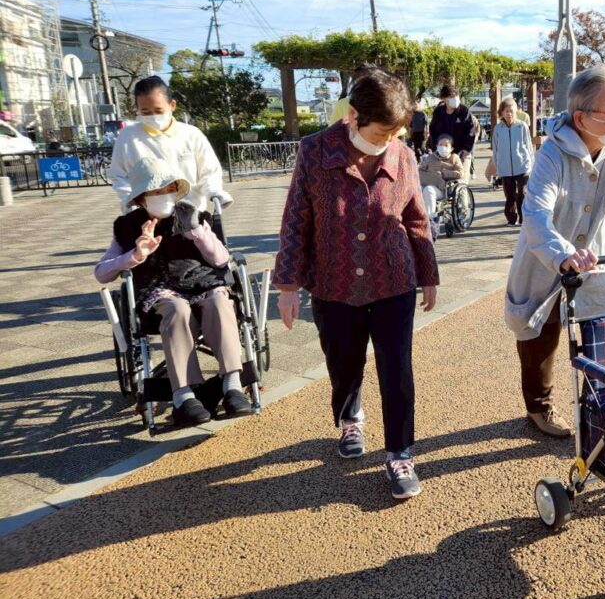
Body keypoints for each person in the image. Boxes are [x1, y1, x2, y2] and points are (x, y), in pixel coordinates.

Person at [273, 68, 439, 500]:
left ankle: (400, 452)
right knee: (344, 362)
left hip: (393, 278)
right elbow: (295, 220)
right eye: (382, 131)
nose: (388, 140)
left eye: (396, 131)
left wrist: (428, 274)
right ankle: (351, 419)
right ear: (353, 115)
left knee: (396, 369)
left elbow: (417, 217)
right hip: (333, 282)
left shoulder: (403, 155)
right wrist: (287, 285)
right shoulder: (314, 151)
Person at [504, 64, 605, 437]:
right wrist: (562, 255)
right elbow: (535, 214)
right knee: (539, 334)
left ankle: (599, 408)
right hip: (546, 257)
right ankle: (538, 407)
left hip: (597, 256)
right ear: (581, 117)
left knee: (602, 334)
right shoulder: (552, 153)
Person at [95, 158, 251, 426]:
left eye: (168, 189)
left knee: (219, 301)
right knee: (177, 309)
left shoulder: (194, 215)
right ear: (142, 198)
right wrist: (136, 254)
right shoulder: (128, 225)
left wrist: (197, 232)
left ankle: (233, 386)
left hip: (203, 283)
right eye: (155, 191)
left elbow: (222, 260)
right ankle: (183, 396)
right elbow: (102, 273)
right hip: (160, 291)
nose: (163, 195)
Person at [110, 77, 232, 214]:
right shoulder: (128, 137)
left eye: (158, 110)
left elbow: (209, 170)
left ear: (172, 105)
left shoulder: (191, 134)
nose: (153, 116)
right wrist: (128, 199)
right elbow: (119, 175)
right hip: (147, 216)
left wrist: (214, 191)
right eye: (146, 112)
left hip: (191, 213)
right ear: (137, 109)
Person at [491, 97, 534, 226]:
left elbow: (529, 146)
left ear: (516, 112)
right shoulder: (498, 129)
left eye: (512, 111)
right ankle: (511, 218)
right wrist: (498, 167)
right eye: (506, 111)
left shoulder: (522, 126)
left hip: (522, 165)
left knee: (522, 194)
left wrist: (531, 164)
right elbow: (495, 149)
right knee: (509, 196)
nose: (509, 114)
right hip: (505, 168)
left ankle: (523, 219)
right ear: (502, 113)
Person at [418, 134, 465, 238]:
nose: (443, 147)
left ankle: (430, 223)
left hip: (443, 189)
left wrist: (445, 173)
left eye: (446, 145)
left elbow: (461, 173)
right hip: (428, 183)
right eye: (440, 144)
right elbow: (420, 171)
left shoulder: (454, 158)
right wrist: (434, 177)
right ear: (437, 146)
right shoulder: (430, 157)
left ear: (451, 148)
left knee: (428, 190)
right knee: (417, 190)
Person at [430, 84, 474, 172]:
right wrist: (435, 148)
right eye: (451, 96)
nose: (455, 98)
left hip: (461, 152)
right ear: (444, 99)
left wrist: (466, 149)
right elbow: (433, 131)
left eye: (456, 95)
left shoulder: (464, 111)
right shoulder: (438, 112)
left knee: (461, 180)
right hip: (443, 153)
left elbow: (470, 131)